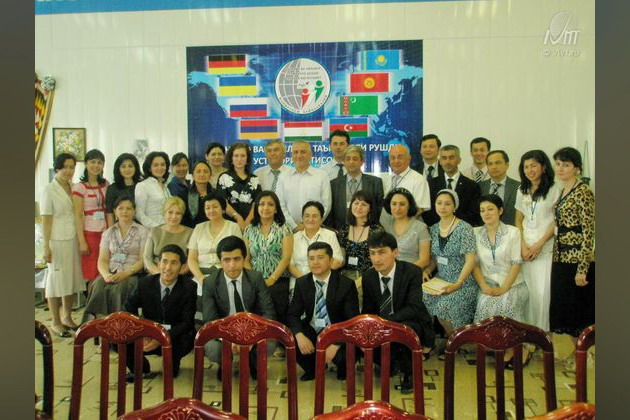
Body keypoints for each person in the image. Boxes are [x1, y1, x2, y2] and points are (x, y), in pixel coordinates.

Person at [361, 231, 434, 393]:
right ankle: (391, 362)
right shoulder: (368, 276)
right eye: (372, 253)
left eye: (382, 252)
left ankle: (410, 374)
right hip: (382, 320)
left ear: (395, 252)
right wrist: (369, 327)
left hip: (409, 319)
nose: (376, 259)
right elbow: (368, 308)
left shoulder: (412, 272)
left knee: (405, 331)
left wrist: (386, 322)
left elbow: (414, 307)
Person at [202, 236, 275, 380]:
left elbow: (268, 312)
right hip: (224, 330)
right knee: (212, 347)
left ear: (244, 259)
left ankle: (253, 362)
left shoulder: (255, 278)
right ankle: (225, 364)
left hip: (252, 328)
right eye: (226, 260)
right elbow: (210, 320)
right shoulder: (210, 282)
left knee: (270, 343)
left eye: (237, 259)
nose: (232, 265)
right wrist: (229, 339)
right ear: (220, 261)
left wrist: (251, 337)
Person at [472, 195, 531, 368]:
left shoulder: (513, 232)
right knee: (484, 305)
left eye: (490, 209)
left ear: (500, 211)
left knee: (507, 304)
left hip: (513, 284)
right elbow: (474, 264)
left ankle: (518, 348)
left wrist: (504, 288)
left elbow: (516, 263)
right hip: (488, 284)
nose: (486, 213)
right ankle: (499, 346)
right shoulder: (475, 233)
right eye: (482, 210)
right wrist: (483, 286)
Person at [287, 242, 359, 381]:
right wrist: (299, 335)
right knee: (293, 338)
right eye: (311, 258)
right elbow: (292, 314)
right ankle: (312, 369)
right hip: (313, 329)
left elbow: (352, 321)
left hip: (338, 331)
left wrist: (336, 344)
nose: (315, 262)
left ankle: (341, 367)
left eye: (320, 257)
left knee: (345, 358)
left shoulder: (345, 284)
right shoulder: (302, 283)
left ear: (331, 260)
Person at [549, 147, 595, 367]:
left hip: (577, 260)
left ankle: (585, 354)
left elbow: (589, 232)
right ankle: (577, 352)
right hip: (561, 257)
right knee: (563, 310)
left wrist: (583, 268)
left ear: (576, 168)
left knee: (579, 311)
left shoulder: (583, 191)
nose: (560, 168)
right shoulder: (563, 190)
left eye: (565, 165)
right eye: (558, 164)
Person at [124, 244, 197, 380]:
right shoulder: (144, 284)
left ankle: (172, 362)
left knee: (172, 370)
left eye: (174, 263)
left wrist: (160, 337)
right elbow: (128, 310)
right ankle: (140, 368)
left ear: (182, 267)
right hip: (148, 333)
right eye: (165, 262)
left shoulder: (189, 287)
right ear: (158, 264)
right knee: (119, 337)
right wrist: (141, 333)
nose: (168, 268)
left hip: (174, 335)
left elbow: (187, 323)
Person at [422, 190, 478, 343]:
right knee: (422, 299)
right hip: (440, 280)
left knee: (444, 308)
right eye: (439, 203)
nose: (442, 207)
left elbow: (470, 260)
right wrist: (427, 270)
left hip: (463, 282)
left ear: (455, 206)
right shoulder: (433, 228)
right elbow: (435, 259)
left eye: (447, 204)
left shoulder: (464, 228)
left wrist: (457, 283)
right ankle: (432, 342)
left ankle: (456, 343)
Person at [514, 150, 560, 332]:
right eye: (526, 167)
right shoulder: (522, 189)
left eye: (533, 165)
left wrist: (539, 245)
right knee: (527, 292)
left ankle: (543, 335)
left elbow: (557, 220)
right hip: (525, 248)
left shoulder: (555, 189)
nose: (529, 170)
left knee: (542, 293)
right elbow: (518, 219)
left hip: (545, 247)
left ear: (544, 167)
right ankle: (527, 334)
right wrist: (523, 245)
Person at [81, 197, 148, 322]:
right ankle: (100, 323)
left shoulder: (142, 231)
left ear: (134, 211)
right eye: (120, 208)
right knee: (98, 286)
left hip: (132, 273)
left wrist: (126, 273)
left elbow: (143, 260)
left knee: (121, 289)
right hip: (111, 272)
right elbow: (102, 259)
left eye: (128, 208)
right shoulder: (108, 232)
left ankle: (120, 324)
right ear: (115, 211)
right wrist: (106, 275)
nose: (124, 211)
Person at [41, 153, 85, 337]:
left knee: (71, 279)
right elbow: (46, 219)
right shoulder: (49, 189)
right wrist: (46, 246)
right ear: (57, 168)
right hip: (57, 240)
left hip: (73, 238)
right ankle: (55, 321)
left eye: (72, 167)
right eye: (65, 167)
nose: (69, 171)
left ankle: (67, 316)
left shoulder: (74, 187)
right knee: (55, 280)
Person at [244, 191, 293, 328]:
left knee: (275, 301)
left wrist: (272, 279)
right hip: (254, 279)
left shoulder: (285, 228)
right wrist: (254, 279)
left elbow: (286, 258)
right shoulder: (249, 229)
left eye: (270, 204)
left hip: (279, 279)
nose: (265, 208)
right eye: (262, 204)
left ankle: (278, 338)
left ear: (276, 209)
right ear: (256, 208)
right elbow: (245, 259)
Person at [187, 192, 243, 287]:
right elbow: (191, 259)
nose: (211, 210)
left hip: (226, 274)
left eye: (215, 207)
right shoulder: (198, 228)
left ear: (223, 209)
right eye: (207, 208)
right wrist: (200, 278)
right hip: (201, 274)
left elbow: (239, 255)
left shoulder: (233, 227)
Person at [275, 140, 332, 232]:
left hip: (316, 229)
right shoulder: (283, 177)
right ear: (291, 156)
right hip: (290, 230)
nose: (299, 155)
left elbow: (326, 204)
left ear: (310, 155)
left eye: (303, 152)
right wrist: (294, 226)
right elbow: (280, 204)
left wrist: (312, 224)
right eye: (295, 152)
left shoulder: (322, 175)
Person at [72, 149, 110, 283]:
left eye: (99, 162)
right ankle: (92, 296)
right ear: (86, 164)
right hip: (90, 233)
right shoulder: (79, 187)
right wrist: (82, 241)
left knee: (106, 268)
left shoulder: (106, 184)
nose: (96, 165)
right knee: (92, 271)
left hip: (106, 231)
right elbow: (77, 215)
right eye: (92, 162)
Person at [326, 145, 384, 230]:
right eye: (348, 159)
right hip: (340, 231)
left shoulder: (375, 183)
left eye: (355, 159)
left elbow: (378, 210)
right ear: (344, 162)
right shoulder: (334, 184)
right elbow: (330, 213)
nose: (351, 162)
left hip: (368, 231)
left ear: (362, 162)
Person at [424, 145, 482, 227]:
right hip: (436, 229)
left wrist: (455, 225)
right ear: (440, 161)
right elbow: (427, 211)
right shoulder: (430, 184)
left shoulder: (472, 186)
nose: (447, 162)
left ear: (459, 160)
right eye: (444, 158)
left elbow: (474, 213)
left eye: (451, 158)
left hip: (463, 229)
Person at [337, 191, 382, 293]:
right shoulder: (344, 229)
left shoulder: (376, 230)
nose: (359, 207)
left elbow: (378, 261)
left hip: (368, 277)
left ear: (370, 208)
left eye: (364, 204)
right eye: (356, 203)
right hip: (345, 275)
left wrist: (360, 281)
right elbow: (341, 259)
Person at [289, 201, 344, 282]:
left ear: (321, 219)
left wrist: (319, 276)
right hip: (299, 281)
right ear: (302, 218)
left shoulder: (330, 235)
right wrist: (304, 280)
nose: (310, 219)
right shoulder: (294, 238)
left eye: (314, 216)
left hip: (324, 281)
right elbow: (290, 265)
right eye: (307, 216)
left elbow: (338, 260)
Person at [381, 188, 431, 269]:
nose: (397, 208)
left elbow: (425, 260)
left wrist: (404, 273)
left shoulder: (420, 227)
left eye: (402, 204)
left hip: (412, 272)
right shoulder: (385, 225)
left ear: (409, 206)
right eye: (394, 204)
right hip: (388, 271)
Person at [216, 142, 262, 230]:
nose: (239, 159)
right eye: (236, 156)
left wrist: (247, 221)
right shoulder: (224, 177)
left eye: (243, 156)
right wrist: (238, 218)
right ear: (231, 158)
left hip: (250, 224)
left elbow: (257, 203)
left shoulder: (254, 179)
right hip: (229, 224)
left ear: (247, 159)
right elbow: (222, 202)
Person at [143, 197, 193, 276]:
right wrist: (160, 274)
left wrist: (175, 275)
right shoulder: (154, 231)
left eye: (178, 213)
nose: (174, 216)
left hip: (180, 275)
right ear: (164, 213)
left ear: (182, 215)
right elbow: (147, 258)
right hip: (156, 274)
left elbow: (191, 260)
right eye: (170, 212)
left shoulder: (190, 233)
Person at [382, 144, 430, 213]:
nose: (396, 161)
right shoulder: (385, 180)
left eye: (400, 157)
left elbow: (420, 208)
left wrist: (401, 219)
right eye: (392, 158)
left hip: (408, 220)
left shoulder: (419, 180)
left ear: (409, 159)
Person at [479, 150, 520, 225]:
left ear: (507, 165)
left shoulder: (519, 187)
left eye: (497, 163)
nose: (494, 167)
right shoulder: (479, 187)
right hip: (486, 230)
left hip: (512, 230)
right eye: (490, 164)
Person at [135, 151, 172, 228]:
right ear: (149, 168)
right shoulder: (143, 185)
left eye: (163, 164)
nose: (160, 168)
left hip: (167, 228)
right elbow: (139, 214)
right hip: (151, 230)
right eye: (156, 165)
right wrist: (156, 227)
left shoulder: (165, 186)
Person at [105, 153, 142, 227]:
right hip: (121, 227)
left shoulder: (142, 186)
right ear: (118, 169)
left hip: (142, 227)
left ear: (136, 168)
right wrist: (111, 231)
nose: (127, 169)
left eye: (130, 166)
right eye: (123, 166)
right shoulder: (112, 189)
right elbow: (110, 213)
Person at [179, 161, 213, 228]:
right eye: (198, 171)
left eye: (205, 171)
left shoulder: (216, 195)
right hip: (191, 231)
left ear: (210, 176)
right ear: (193, 176)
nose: (202, 174)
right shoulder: (183, 195)